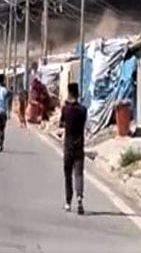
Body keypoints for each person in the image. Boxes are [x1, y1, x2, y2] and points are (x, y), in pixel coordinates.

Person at [59, 82, 87, 214]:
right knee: (79, 174)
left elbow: (61, 122)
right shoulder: (83, 110)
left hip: (68, 147)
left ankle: (68, 202)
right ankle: (80, 198)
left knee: (68, 175)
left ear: (69, 93)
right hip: (79, 146)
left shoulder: (65, 109)